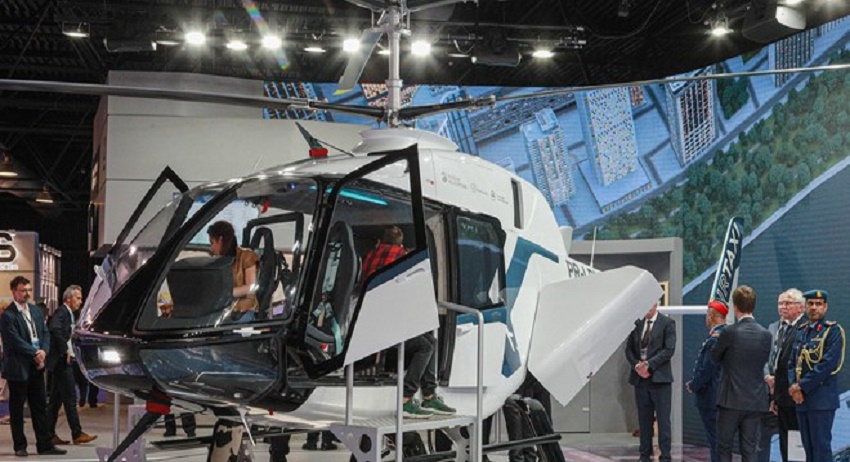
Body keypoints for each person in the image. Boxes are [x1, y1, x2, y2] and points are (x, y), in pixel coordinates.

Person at [361, 225, 455, 419]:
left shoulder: (370, 257)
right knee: (426, 346)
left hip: (371, 321)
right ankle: (407, 398)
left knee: (429, 341)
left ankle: (429, 395)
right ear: (401, 243)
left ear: (381, 240)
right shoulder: (402, 257)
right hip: (388, 325)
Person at [0, 276, 67, 456]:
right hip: (18, 368)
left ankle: (44, 445)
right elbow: (14, 341)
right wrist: (35, 353)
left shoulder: (36, 311)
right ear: (14, 292)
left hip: (37, 366)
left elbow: (45, 333)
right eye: (23, 290)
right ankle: (20, 446)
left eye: (29, 290)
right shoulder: (7, 316)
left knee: (40, 407)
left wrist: (43, 351)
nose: (27, 294)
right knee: (17, 409)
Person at [711, 285, 772, 462]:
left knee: (724, 447)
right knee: (749, 448)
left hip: (730, 400)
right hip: (755, 400)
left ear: (735, 306)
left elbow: (715, 357)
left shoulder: (729, 332)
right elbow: (761, 362)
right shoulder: (766, 334)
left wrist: (719, 343)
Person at [787, 289, 845, 462]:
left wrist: (801, 386)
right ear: (805, 307)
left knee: (821, 448)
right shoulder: (801, 331)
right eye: (810, 304)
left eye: (818, 304)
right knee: (807, 449)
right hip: (801, 400)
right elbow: (792, 363)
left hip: (821, 400)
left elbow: (827, 365)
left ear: (825, 307)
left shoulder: (832, 331)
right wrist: (793, 386)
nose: (814, 307)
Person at [625, 302, 676, 462]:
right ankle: (644, 456)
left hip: (660, 380)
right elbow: (629, 350)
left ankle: (665, 456)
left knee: (663, 420)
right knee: (644, 421)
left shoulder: (667, 323)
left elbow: (669, 350)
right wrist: (637, 366)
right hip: (640, 380)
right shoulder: (637, 324)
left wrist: (648, 365)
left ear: (655, 304)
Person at [46, 285, 97, 446]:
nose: (80, 301)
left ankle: (48, 434)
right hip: (61, 362)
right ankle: (77, 433)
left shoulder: (69, 314)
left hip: (60, 362)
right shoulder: (62, 312)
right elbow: (54, 328)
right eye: (78, 298)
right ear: (68, 299)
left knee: (55, 401)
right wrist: (64, 349)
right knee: (70, 398)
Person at [761, 289, 805, 462]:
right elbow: (768, 357)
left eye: (787, 303)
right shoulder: (774, 328)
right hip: (777, 394)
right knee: (784, 440)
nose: (783, 307)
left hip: (794, 394)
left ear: (800, 307)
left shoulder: (804, 329)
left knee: (796, 441)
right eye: (780, 303)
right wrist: (768, 378)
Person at [686, 300, 727, 462]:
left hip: (711, 396)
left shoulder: (715, 340)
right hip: (722, 395)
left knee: (715, 439)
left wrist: (694, 385)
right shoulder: (726, 335)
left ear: (711, 316)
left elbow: (707, 369)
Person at [156, 298, 198, 437]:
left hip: (180, 363)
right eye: (163, 308)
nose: (165, 310)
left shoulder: (180, 321)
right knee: (167, 398)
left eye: (166, 307)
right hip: (165, 363)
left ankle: (189, 429)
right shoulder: (158, 322)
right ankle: (170, 428)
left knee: (183, 398)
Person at [208, 220, 259, 323]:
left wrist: (227, 293)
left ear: (220, 240)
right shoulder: (219, 261)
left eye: (212, 243)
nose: (211, 249)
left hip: (244, 310)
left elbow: (251, 287)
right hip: (224, 309)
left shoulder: (247, 256)